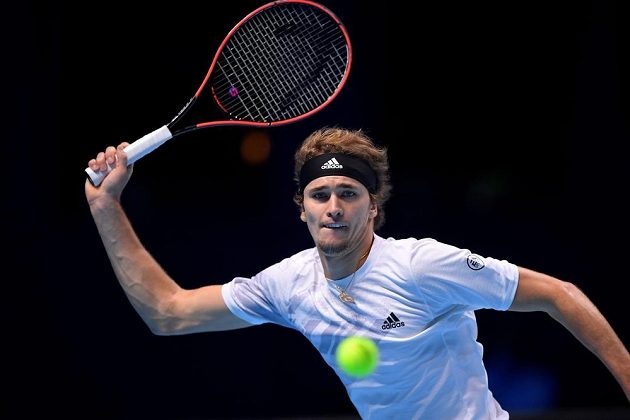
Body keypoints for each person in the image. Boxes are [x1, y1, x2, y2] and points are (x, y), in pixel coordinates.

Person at [85, 127, 630, 419]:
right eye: (320, 195)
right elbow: (168, 314)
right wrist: (106, 208)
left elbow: (559, 294)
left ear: (374, 207)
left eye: (350, 193)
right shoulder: (288, 285)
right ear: (301, 207)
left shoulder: (421, 265)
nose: (334, 206)